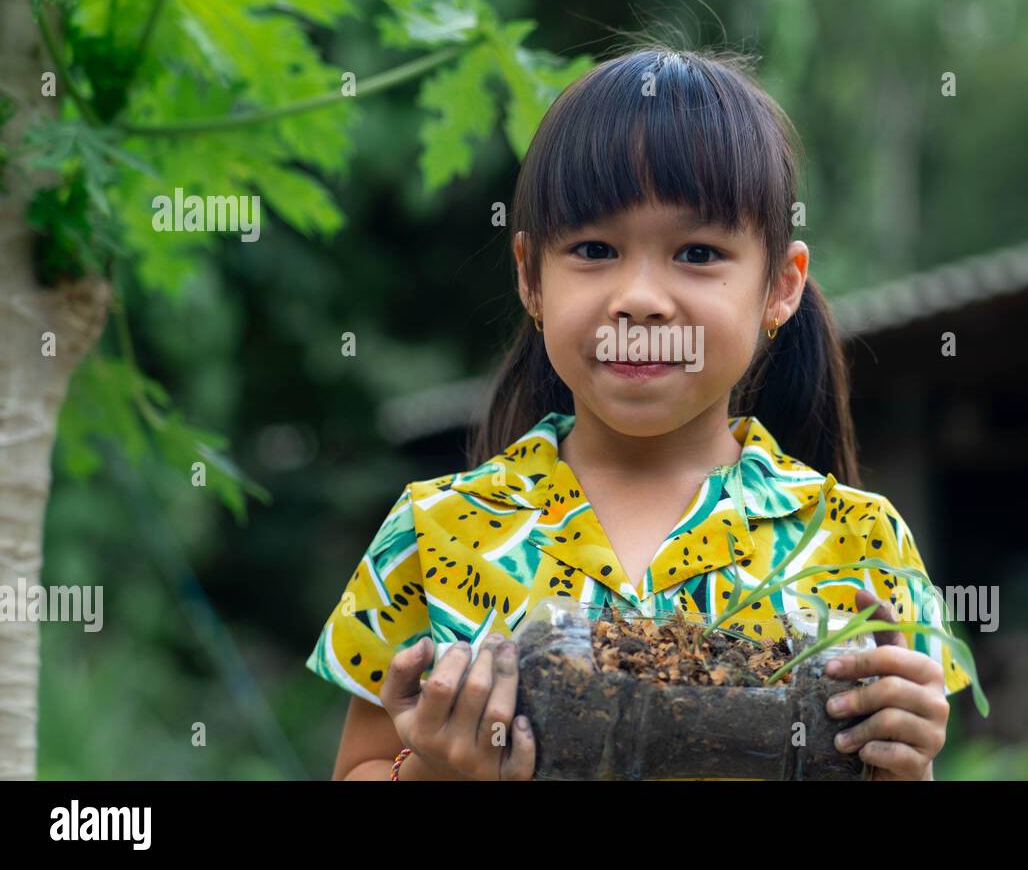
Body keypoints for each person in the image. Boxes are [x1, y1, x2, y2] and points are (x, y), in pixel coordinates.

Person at [306, 46, 973, 780]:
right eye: (595, 249)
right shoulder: (432, 535)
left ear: (781, 286)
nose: (641, 298)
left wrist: (906, 765)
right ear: (531, 277)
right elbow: (359, 769)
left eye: (697, 252)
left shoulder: (861, 546)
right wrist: (436, 773)